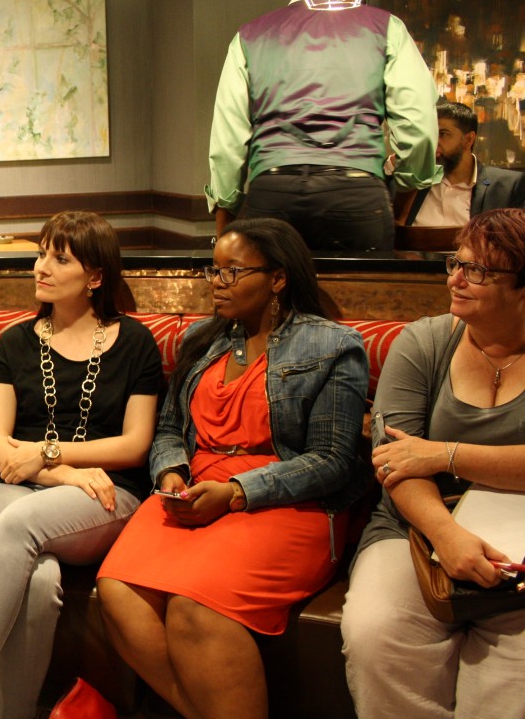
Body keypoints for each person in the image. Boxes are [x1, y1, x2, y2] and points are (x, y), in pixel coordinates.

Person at [97, 218, 371, 719]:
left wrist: (238, 492)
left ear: (278, 278)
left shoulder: (332, 345)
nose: (216, 283)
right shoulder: (201, 340)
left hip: (287, 501)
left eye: (232, 272)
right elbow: (168, 429)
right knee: (118, 589)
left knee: (196, 607)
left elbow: (331, 460)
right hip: (196, 492)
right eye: (213, 270)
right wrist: (170, 473)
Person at [0, 211, 164, 719]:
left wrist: (47, 453)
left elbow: (135, 445)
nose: (41, 267)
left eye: (59, 258)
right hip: (17, 485)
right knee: (35, 580)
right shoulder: (17, 341)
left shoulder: (134, 343)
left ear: (95, 277)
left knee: (17, 524)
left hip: (104, 493)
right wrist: (63, 470)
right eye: (41, 254)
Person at [342, 209, 525, 719]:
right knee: (374, 633)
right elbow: (393, 460)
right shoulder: (424, 342)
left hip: (518, 532)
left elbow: (420, 453)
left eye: (479, 271)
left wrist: (444, 454)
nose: (455, 280)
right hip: (415, 525)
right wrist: (447, 534)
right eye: (455, 263)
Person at [206, 0, 439, 251]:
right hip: (357, 194)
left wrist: (223, 236)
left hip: (273, 192)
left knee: (276, 277)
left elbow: (227, 143)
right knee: (362, 279)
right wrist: (401, 210)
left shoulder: (249, 35)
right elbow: (418, 132)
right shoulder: (387, 27)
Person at [398, 102, 525, 227]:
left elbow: (513, 237)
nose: (433, 142)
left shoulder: (508, 186)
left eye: (442, 134)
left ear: (468, 140)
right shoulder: (413, 181)